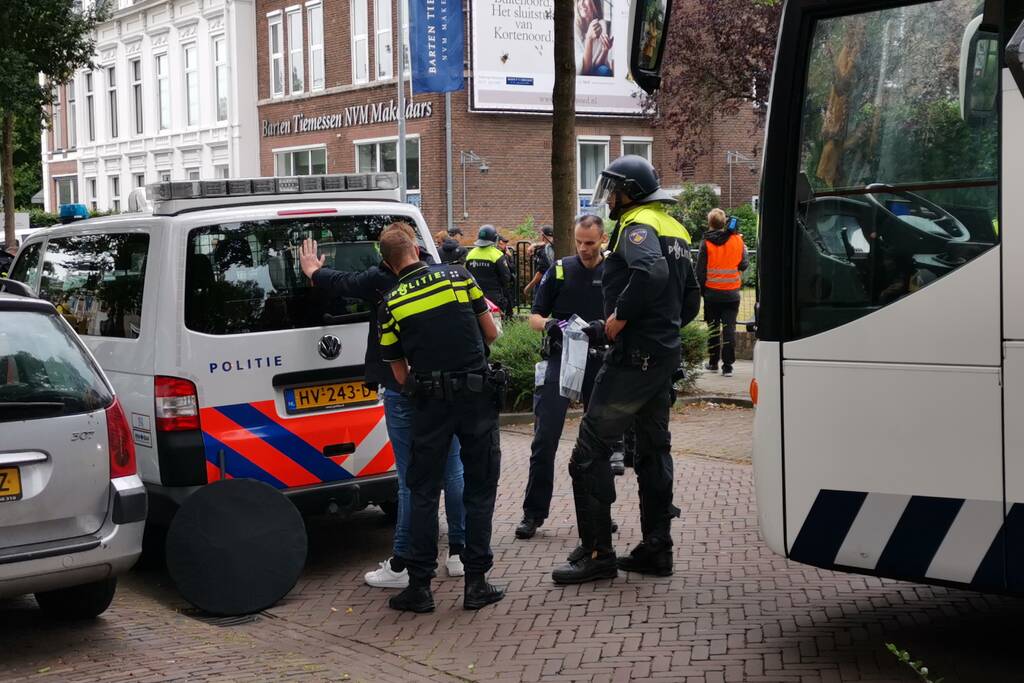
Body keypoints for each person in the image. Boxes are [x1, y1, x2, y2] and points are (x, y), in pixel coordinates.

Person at [551, 155, 701, 585]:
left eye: (612, 189)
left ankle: (598, 553)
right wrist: (664, 332)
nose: (609, 198)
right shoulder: (675, 228)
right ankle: (657, 549)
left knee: (588, 456)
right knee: (654, 453)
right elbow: (690, 299)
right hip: (660, 360)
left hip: (632, 361)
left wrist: (620, 319)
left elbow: (650, 271)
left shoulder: (637, 226)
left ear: (629, 192)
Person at [298, 223, 467, 590]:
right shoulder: (445, 278)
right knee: (453, 471)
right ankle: (460, 554)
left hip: (403, 389)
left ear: (387, 260)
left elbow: (342, 281)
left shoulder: (380, 282)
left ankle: (403, 562)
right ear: (416, 248)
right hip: (445, 388)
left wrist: (313, 271)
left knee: (409, 479)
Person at [377, 229, 506, 613]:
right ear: (417, 250)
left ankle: (420, 587)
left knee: (422, 491)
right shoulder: (460, 276)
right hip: (476, 397)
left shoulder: (390, 303)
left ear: (388, 264)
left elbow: (399, 377)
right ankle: (476, 584)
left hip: (430, 406)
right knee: (479, 487)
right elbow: (491, 334)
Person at [516, 215, 607, 541]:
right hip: (561, 358)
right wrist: (551, 324)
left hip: (598, 359)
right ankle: (533, 513)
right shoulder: (559, 270)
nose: (584, 248)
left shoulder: (612, 272)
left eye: (590, 243)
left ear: (603, 239)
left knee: (598, 444)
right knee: (544, 440)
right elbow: (534, 317)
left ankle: (598, 513)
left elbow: (621, 317)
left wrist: (602, 328)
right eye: (579, 242)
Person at [696, 210, 749, 377]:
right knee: (729, 330)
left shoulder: (706, 243)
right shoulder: (738, 240)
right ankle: (728, 367)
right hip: (731, 294)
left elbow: (700, 271)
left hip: (712, 294)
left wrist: (702, 291)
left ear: (710, 223)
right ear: (725, 222)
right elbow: (744, 264)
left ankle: (713, 363)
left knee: (713, 329)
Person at [465, 224, 514, 315]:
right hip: (494, 296)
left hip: (475, 295)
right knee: (496, 324)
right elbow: (506, 277)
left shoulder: (470, 254)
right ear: (495, 239)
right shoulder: (497, 255)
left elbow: (467, 275)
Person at [575, 0, 614, 77]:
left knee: (604, 71)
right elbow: (584, 70)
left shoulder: (602, 26)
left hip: (594, 72)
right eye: (579, 0)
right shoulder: (574, 29)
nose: (582, 4)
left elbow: (596, 65)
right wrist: (589, 38)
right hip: (578, 76)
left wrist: (605, 50)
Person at [523, 225, 555, 299]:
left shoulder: (544, 252)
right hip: (553, 282)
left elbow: (541, 272)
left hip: (543, 284)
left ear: (543, 236)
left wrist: (530, 286)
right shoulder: (555, 247)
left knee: (539, 307)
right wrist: (534, 245)